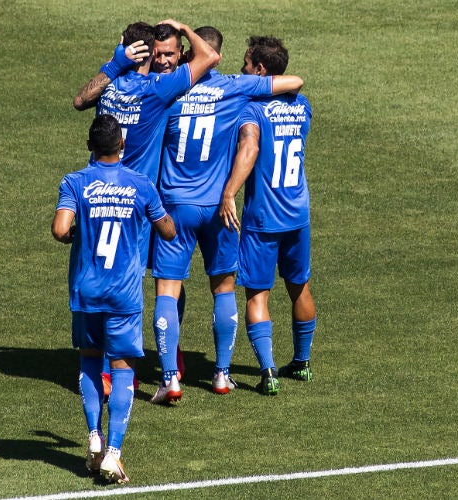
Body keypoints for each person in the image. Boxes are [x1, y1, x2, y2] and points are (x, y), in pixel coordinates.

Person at [150, 27, 305, 402]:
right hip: (222, 208)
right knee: (223, 288)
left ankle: (170, 378)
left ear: (191, 54)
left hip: (176, 207)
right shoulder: (236, 88)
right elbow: (292, 82)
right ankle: (221, 374)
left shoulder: (170, 89)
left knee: (167, 290)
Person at [74, 20, 220, 399]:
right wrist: (185, 28)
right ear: (147, 54)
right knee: (141, 286)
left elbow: (79, 99)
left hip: (100, 196)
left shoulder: (108, 89)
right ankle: (123, 369)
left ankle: (137, 362)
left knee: (117, 282)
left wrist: (114, 62)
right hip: (142, 205)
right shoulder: (159, 91)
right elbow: (210, 56)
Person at [51, 115, 176, 483]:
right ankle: (114, 453)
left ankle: (93, 437)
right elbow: (167, 231)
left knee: (90, 362)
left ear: (89, 146)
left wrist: (79, 235)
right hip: (123, 294)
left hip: (86, 292)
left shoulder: (75, 182)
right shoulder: (140, 184)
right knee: (123, 369)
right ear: (122, 145)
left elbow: (60, 229)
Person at [219, 36, 316, 396]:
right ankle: (302, 362)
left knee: (257, 295)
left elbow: (251, 147)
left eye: (246, 64)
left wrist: (229, 191)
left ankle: (268, 372)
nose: (242, 69)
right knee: (299, 286)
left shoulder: (252, 110)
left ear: (260, 70)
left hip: (263, 217)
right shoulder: (302, 106)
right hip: (298, 212)